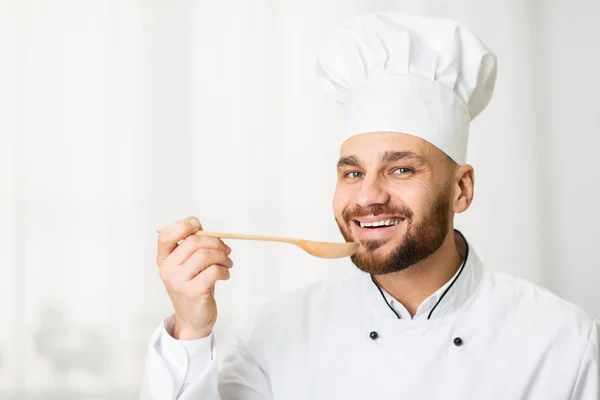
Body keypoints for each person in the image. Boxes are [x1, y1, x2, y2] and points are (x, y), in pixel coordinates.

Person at [139, 12, 599, 400]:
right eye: (353, 173)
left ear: (461, 189)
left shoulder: (561, 340)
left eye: (401, 170)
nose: (367, 197)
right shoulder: (277, 330)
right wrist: (191, 327)